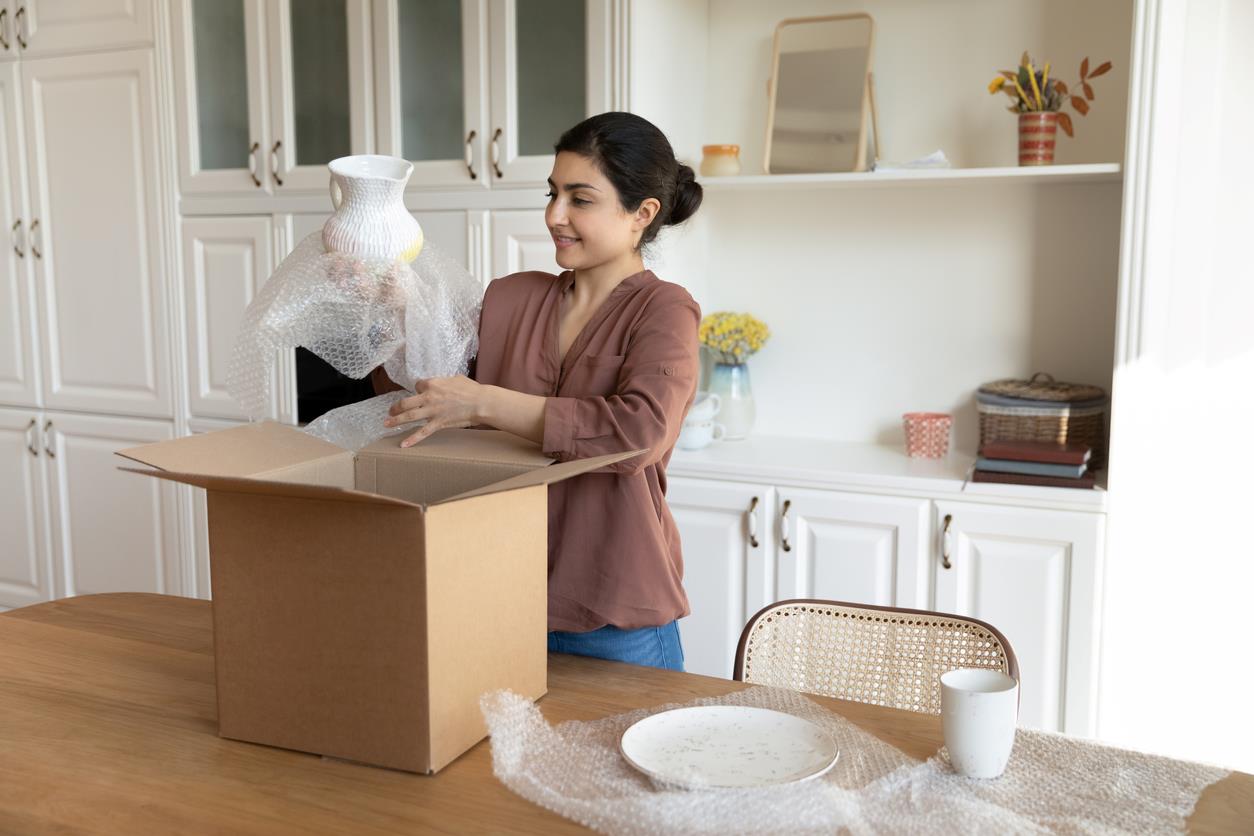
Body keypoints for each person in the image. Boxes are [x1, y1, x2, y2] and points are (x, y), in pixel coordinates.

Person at [373, 111, 703, 671]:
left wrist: (484, 402)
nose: (555, 216)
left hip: (612, 612)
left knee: (631, 760)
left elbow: (638, 432)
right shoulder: (511, 297)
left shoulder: (665, 310)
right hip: (497, 596)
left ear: (641, 215)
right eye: (552, 194)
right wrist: (395, 311)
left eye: (580, 199)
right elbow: (422, 386)